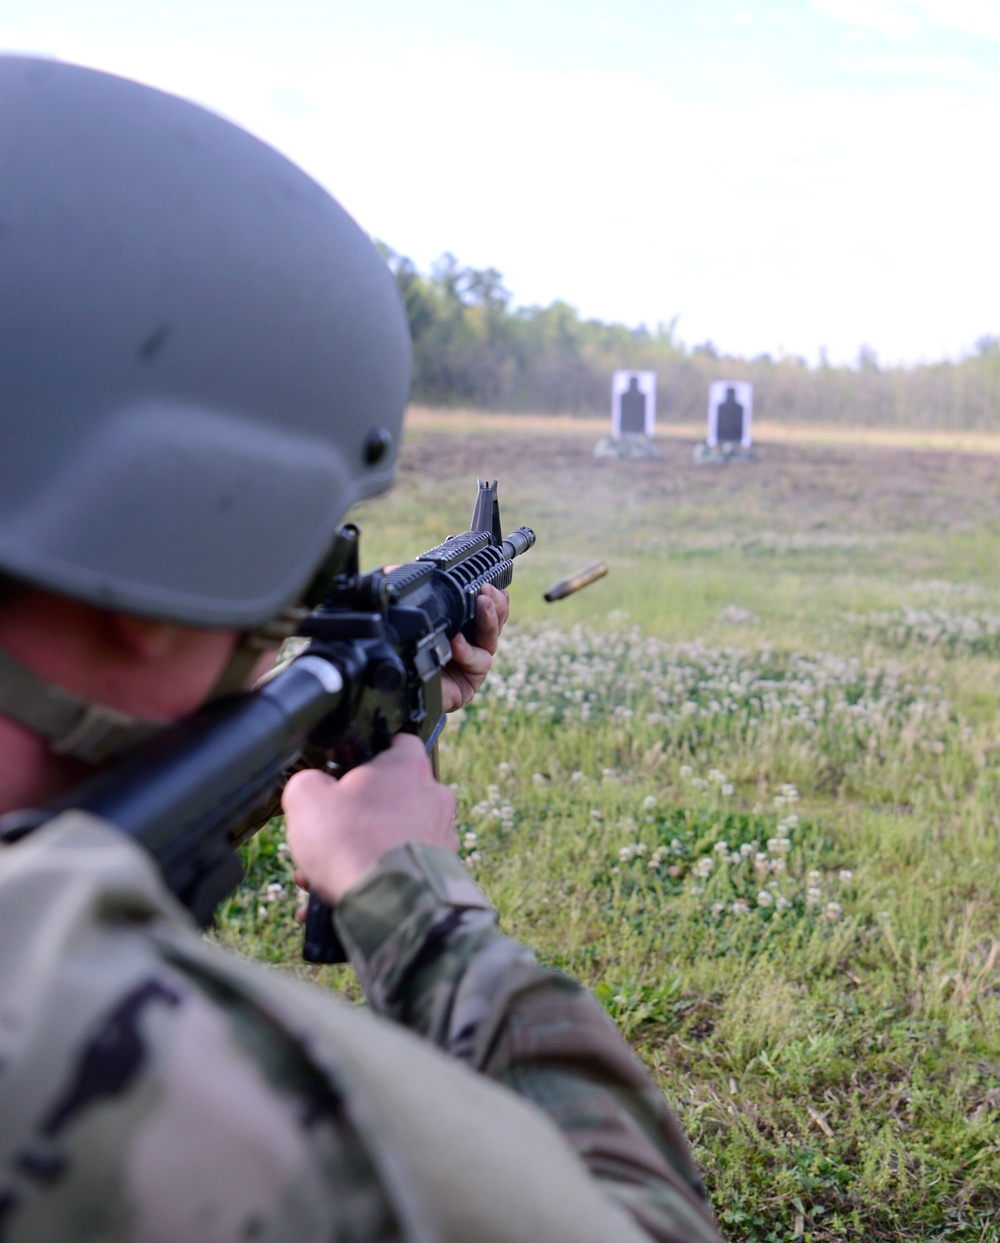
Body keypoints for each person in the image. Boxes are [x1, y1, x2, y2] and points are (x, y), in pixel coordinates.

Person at [0, 56, 722, 1243]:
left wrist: (334, 707)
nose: (269, 630)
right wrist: (408, 892)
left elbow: (95, 794)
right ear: (152, 567)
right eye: (271, 586)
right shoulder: (105, 1061)